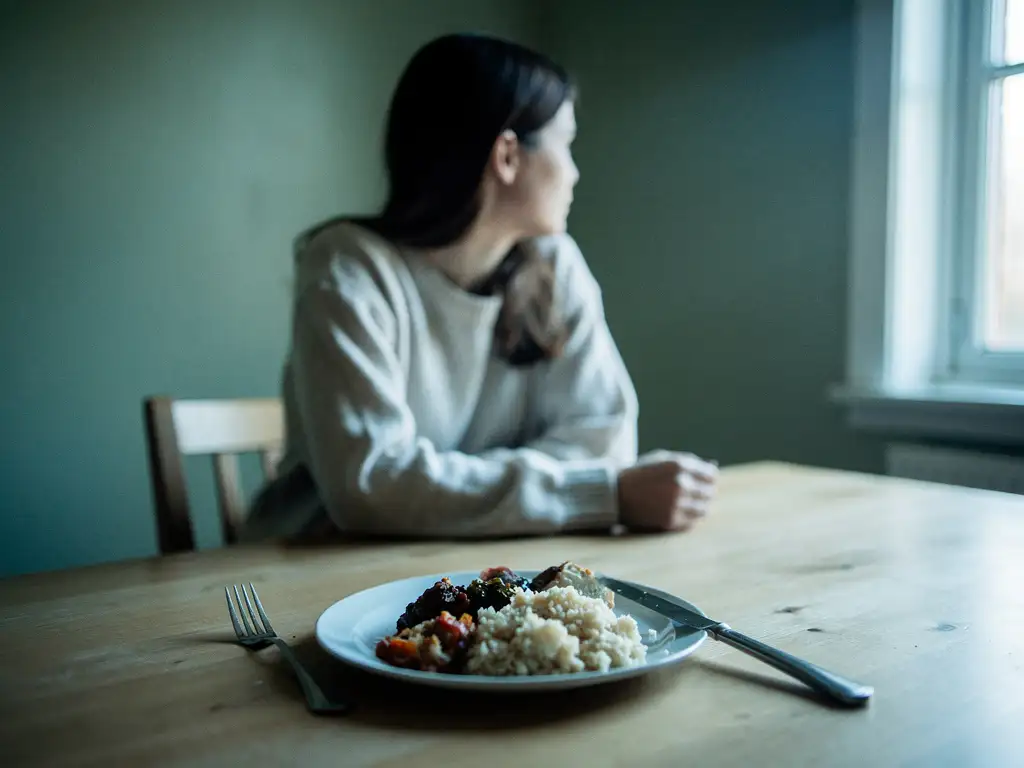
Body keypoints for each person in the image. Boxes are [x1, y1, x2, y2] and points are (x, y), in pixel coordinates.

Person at [241, 33, 717, 543]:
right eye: (567, 144)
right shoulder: (349, 267)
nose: (575, 172)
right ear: (508, 156)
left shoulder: (554, 265)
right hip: (313, 569)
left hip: (483, 568)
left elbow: (604, 442)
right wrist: (598, 495)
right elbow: (371, 485)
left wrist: (439, 488)